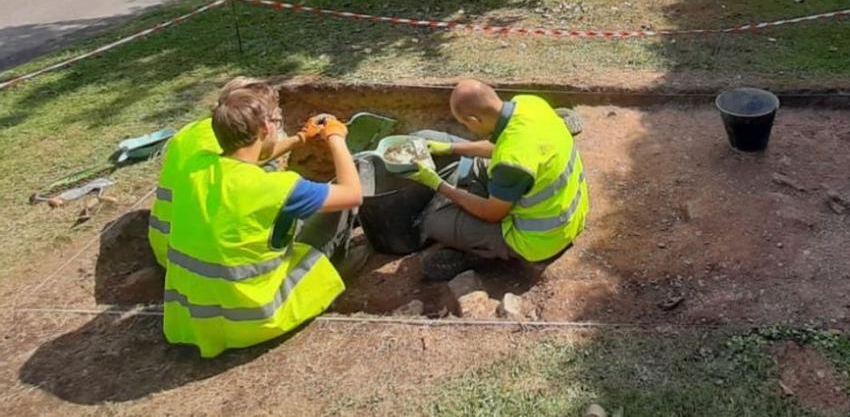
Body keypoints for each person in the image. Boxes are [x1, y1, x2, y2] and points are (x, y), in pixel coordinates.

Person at [162, 85, 363, 358]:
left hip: (195, 322)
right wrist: (337, 138)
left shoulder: (195, 166)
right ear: (265, 129)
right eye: (275, 120)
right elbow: (352, 194)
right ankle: (346, 262)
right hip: (258, 315)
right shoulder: (277, 188)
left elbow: (251, 157)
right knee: (337, 211)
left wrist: (301, 138)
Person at [405, 79, 589, 280]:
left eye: (465, 123)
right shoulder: (530, 104)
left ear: (474, 120)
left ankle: (481, 257)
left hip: (540, 240)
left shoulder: (510, 163)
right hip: (570, 215)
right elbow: (501, 147)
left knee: (434, 222)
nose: (467, 127)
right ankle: (480, 198)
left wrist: (437, 184)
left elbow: (492, 214)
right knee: (480, 172)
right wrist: (450, 148)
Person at [148, 78, 326, 269]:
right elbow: (349, 195)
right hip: (207, 260)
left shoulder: (197, 133)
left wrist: (301, 138)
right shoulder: (223, 152)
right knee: (268, 172)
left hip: (172, 248)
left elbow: (255, 157)